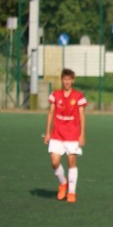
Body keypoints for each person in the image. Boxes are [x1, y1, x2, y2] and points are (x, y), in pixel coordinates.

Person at [44, 68, 87, 203]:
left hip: (72, 135)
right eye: (65, 79)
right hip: (57, 134)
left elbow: (82, 116)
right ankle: (63, 183)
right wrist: (47, 132)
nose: (67, 82)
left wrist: (82, 135)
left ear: (72, 81)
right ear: (61, 80)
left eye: (69, 79)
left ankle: (72, 192)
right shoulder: (55, 95)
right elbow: (50, 113)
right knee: (54, 162)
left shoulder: (79, 97)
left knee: (71, 162)